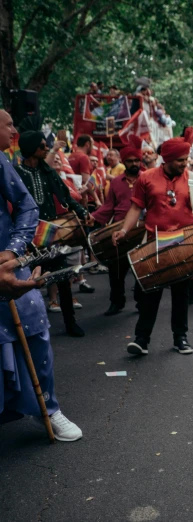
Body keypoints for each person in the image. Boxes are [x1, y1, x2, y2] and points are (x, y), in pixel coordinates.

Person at [0, 110, 82, 441]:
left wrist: (12, 252)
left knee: (34, 322)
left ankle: (49, 407)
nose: (14, 129)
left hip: (10, 259)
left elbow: (28, 206)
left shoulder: (5, 163)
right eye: (8, 124)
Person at [113, 134, 193, 356]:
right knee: (149, 293)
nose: (185, 163)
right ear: (167, 159)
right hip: (155, 242)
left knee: (181, 293)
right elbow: (136, 208)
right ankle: (141, 340)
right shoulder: (146, 178)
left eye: (186, 159)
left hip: (184, 243)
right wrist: (124, 230)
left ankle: (180, 338)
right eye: (181, 160)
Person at [16, 127, 94, 337]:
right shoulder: (17, 173)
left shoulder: (47, 172)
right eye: (42, 145)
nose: (46, 148)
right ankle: (29, 327)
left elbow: (66, 197)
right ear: (31, 148)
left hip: (50, 233)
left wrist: (82, 212)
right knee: (28, 281)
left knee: (63, 277)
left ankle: (70, 323)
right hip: (27, 236)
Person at [91, 139, 144, 316]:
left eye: (137, 160)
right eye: (130, 161)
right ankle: (117, 302)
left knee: (142, 269)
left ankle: (141, 303)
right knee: (116, 270)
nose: (134, 164)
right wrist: (94, 218)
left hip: (142, 229)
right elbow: (108, 207)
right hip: (119, 230)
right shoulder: (116, 182)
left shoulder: (146, 179)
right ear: (124, 162)